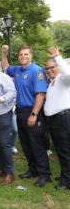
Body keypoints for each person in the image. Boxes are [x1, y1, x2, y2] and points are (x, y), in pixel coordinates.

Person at [1, 45, 51, 187]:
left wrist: (34, 114)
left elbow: (41, 94)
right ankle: (33, 170)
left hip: (33, 113)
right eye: (21, 54)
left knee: (37, 145)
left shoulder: (37, 71)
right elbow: (5, 66)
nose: (23, 56)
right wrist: (4, 52)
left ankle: (44, 175)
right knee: (26, 144)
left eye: (26, 54)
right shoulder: (17, 70)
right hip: (21, 113)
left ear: (31, 55)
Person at [44, 47, 70, 190]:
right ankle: (66, 175)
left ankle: (67, 182)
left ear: (57, 67)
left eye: (52, 67)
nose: (49, 70)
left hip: (62, 119)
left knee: (65, 151)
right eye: (47, 69)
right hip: (54, 121)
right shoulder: (52, 82)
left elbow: (68, 73)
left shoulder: (63, 79)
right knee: (61, 150)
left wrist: (58, 57)